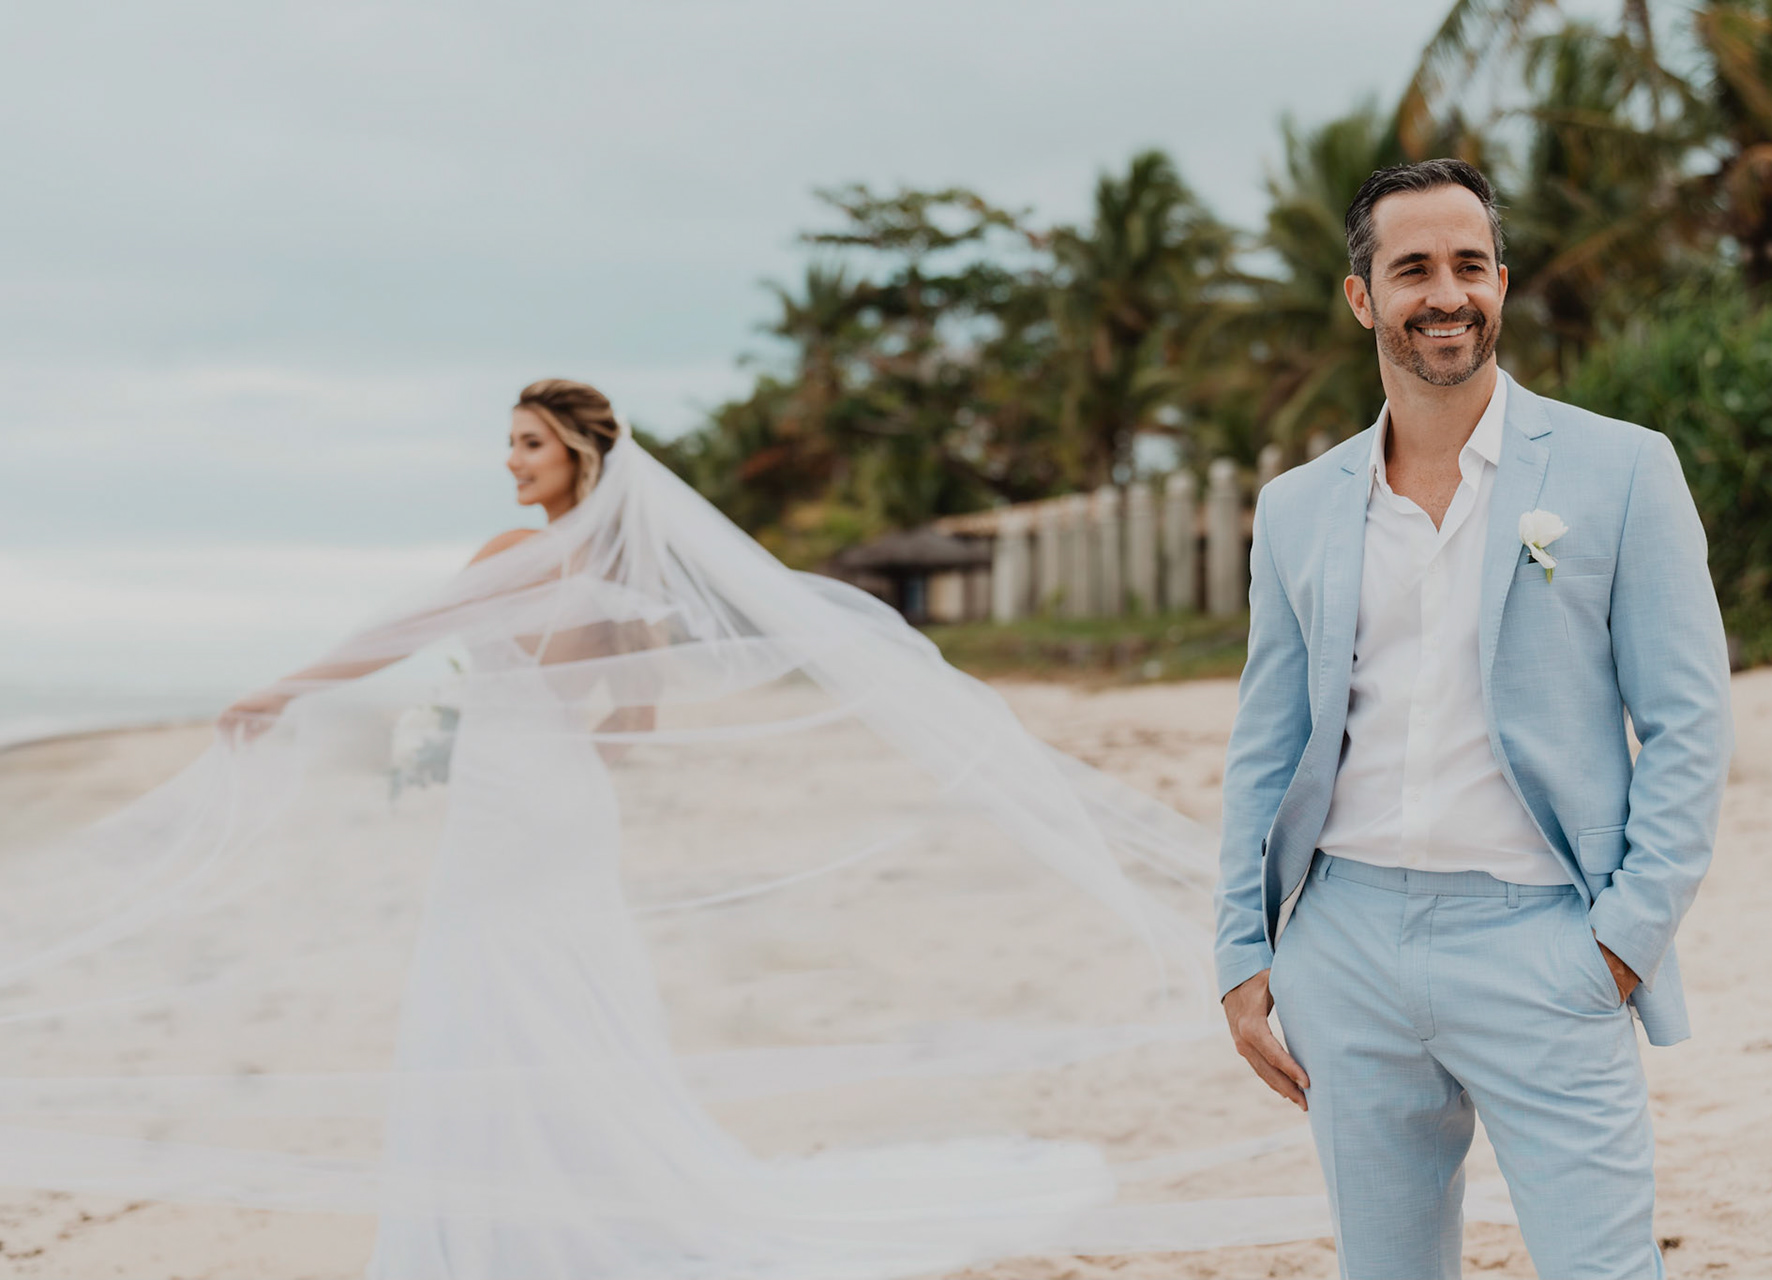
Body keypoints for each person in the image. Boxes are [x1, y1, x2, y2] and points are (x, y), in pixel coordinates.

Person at [2, 379, 1334, 1276]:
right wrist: (504, 720)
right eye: (509, 444)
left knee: (505, 989)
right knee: (543, 992)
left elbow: (401, 643)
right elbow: (624, 735)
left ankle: (503, 1227)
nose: (509, 462)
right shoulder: (623, 584)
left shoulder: (514, 566)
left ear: (578, 456)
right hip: (555, 812)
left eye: (526, 444)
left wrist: (302, 694)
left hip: (516, 812)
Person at [1214, 160, 1733, 1280]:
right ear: (1364, 299)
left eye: (1468, 264)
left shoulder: (1623, 470)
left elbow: (1690, 725)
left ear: (1502, 280)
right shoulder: (1299, 506)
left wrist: (1621, 944)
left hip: (1547, 943)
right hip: (1343, 950)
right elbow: (1266, 742)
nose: (1445, 293)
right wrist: (1242, 950)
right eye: (1412, 268)